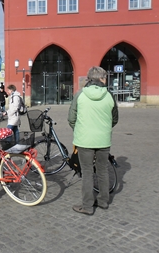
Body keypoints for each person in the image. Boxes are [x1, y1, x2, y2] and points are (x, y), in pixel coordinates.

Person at [68, 66, 119, 215]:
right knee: (103, 171)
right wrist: (104, 129)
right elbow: (115, 118)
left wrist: (79, 130)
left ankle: (87, 206)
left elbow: (71, 118)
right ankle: (103, 201)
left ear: (89, 79)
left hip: (84, 140)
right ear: (102, 79)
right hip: (103, 140)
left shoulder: (80, 95)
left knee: (87, 172)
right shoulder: (109, 95)